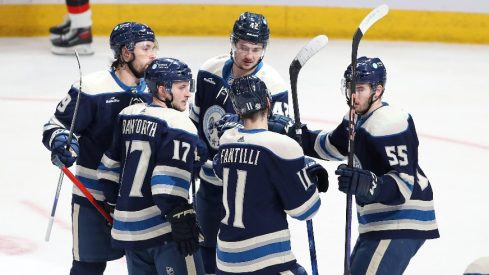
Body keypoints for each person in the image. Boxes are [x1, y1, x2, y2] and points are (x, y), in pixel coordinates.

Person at [283, 56, 439, 274]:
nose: (353, 95)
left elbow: (404, 184)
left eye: (361, 89)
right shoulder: (354, 119)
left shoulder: (391, 121)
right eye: (350, 88)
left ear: (378, 89)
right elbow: (330, 146)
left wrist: (369, 184)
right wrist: (295, 134)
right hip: (377, 223)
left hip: (402, 220)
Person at [41, 22, 157, 275]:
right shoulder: (92, 87)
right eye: (145, 48)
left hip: (141, 197)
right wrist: (62, 141)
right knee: (88, 267)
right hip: (93, 195)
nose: (153, 55)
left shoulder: (158, 88)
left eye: (153, 47)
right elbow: (55, 125)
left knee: (146, 268)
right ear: (126, 53)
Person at [188, 11, 289, 274]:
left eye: (256, 49)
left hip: (249, 189)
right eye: (243, 47)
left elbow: (278, 142)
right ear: (232, 42)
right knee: (205, 247)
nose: (249, 55)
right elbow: (195, 120)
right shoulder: (209, 71)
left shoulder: (273, 84)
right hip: (210, 182)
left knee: (247, 257)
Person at [97, 57, 206, 275]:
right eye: (181, 87)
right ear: (163, 89)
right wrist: (180, 215)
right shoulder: (178, 123)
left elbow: (108, 169)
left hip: (128, 232)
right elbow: (166, 181)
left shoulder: (127, 114)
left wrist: (113, 204)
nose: (188, 94)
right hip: (163, 231)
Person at [212, 75, 328, 275]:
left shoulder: (226, 140)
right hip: (266, 261)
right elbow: (305, 210)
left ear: (238, 110)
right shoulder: (283, 146)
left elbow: (229, 169)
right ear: (268, 101)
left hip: (225, 260)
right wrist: (307, 175)